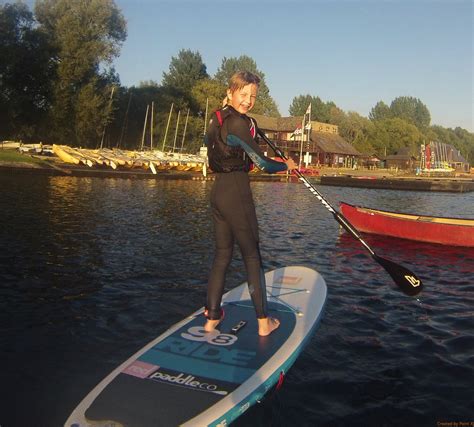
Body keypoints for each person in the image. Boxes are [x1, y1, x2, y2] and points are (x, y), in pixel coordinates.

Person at [204, 71, 297, 337]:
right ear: (231, 92)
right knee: (252, 257)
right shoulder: (239, 124)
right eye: (243, 94)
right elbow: (263, 164)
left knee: (222, 255)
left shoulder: (217, 117)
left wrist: (248, 127)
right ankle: (263, 322)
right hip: (236, 191)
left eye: (253, 96)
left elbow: (210, 144)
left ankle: (211, 317)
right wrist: (286, 165)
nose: (248, 100)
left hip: (218, 192)